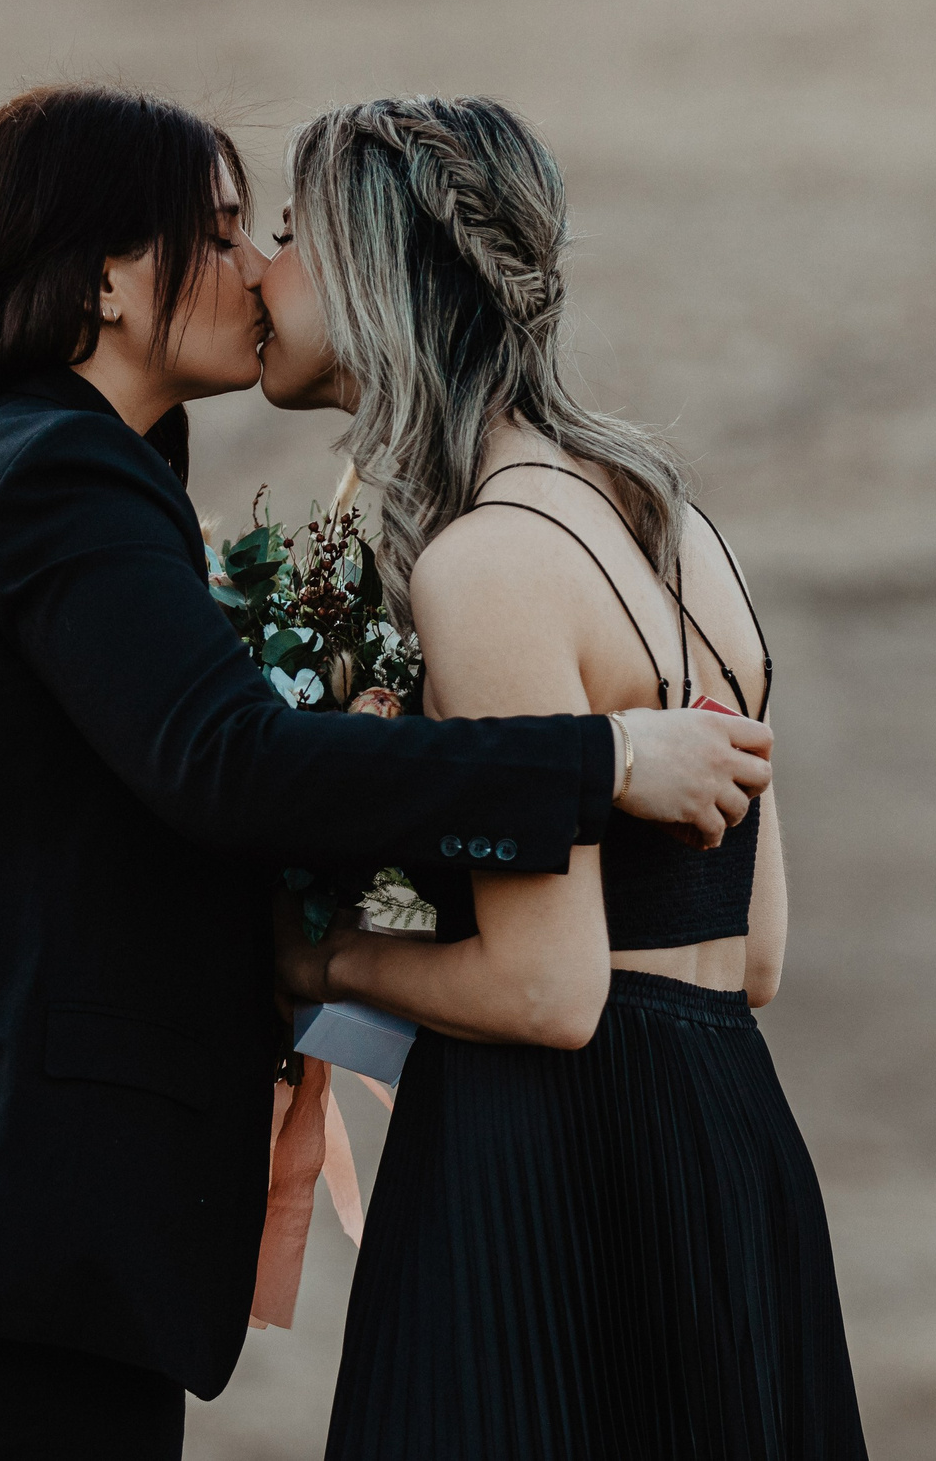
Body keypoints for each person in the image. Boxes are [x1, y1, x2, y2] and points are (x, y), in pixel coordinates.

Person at [0, 85, 777, 1460]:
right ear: (108, 279)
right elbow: (233, 763)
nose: (253, 267)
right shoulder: (55, 477)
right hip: (2, 1235)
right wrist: (607, 758)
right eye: (222, 231)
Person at [265, 95, 869, 1458]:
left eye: (293, 235)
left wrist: (315, 957)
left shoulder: (487, 564)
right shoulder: (678, 529)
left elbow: (547, 989)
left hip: (545, 1176)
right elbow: (754, 953)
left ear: (372, 273)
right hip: (724, 1143)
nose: (262, 270)